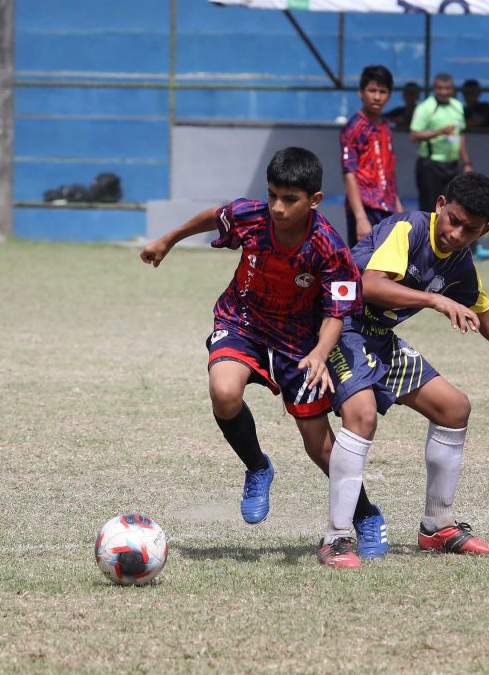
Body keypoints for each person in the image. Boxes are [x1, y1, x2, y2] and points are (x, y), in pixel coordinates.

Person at [317, 172, 489, 569]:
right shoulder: (408, 228)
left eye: (470, 229)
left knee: (454, 407)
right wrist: (435, 301)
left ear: (486, 229)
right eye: (453, 220)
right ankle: (337, 538)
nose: (457, 234)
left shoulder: (461, 264)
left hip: (377, 337)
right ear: (440, 205)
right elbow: (369, 285)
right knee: (362, 415)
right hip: (337, 326)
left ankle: (437, 527)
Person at [140, 147, 389, 559]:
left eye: (289, 199)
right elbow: (213, 217)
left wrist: (321, 354)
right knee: (224, 392)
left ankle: (364, 513)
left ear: (314, 200)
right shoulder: (251, 216)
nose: (276, 207)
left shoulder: (329, 247)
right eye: (272, 195)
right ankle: (257, 466)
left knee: (320, 446)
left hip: (300, 342)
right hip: (242, 321)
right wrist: (167, 240)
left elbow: (336, 313)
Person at [411, 74, 489, 261]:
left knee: (464, 206)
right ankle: (426, 251)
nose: (443, 92)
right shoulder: (425, 108)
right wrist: (439, 132)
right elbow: (414, 135)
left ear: (452, 89)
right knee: (432, 210)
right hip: (430, 164)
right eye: (439, 88)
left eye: (447, 88)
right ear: (434, 89)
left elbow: (461, 136)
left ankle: (470, 252)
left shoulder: (457, 106)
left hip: (453, 164)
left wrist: (466, 162)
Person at [341, 64, 403, 245]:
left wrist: (398, 208)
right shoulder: (353, 128)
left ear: (389, 95)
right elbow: (349, 174)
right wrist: (360, 218)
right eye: (372, 90)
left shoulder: (385, 126)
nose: (377, 97)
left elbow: (388, 171)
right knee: (363, 267)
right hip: (365, 208)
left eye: (383, 91)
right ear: (361, 92)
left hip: (388, 208)